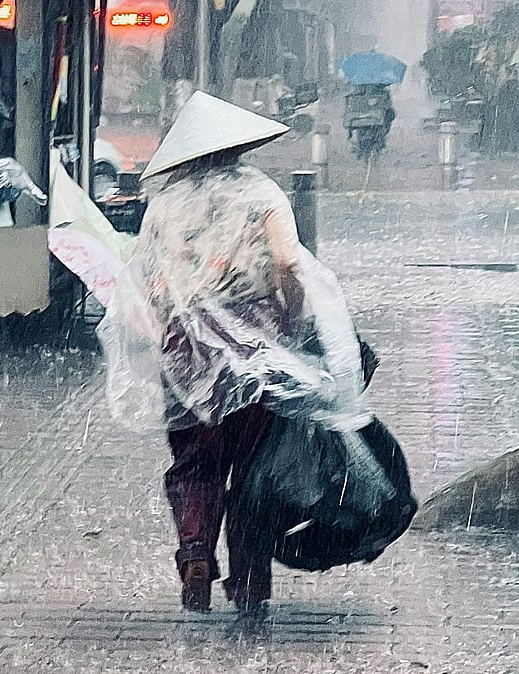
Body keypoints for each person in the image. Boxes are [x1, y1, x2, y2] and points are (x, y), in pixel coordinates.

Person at [97, 92, 368, 616]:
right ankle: (248, 583)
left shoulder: (166, 203)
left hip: (185, 343)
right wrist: (290, 317)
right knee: (252, 465)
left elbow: (149, 282)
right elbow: (289, 261)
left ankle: (196, 550)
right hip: (255, 339)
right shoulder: (262, 193)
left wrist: (167, 331)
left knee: (195, 457)